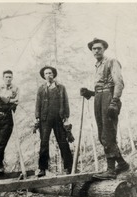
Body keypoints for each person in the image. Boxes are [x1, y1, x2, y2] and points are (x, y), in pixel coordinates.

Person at [80, 38, 129, 180]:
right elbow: (101, 88)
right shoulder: (97, 65)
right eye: (93, 49)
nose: (96, 51)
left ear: (104, 49)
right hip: (99, 99)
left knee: (108, 134)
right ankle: (122, 164)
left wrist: (114, 101)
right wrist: (90, 93)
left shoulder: (111, 62)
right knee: (102, 134)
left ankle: (111, 170)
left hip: (109, 99)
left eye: (99, 48)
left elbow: (118, 83)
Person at [35, 66, 73, 177]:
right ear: (44, 76)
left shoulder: (61, 88)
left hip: (59, 119)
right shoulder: (41, 89)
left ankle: (69, 167)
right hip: (45, 119)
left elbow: (66, 102)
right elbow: (38, 104)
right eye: (46, 73)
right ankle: (42, 168)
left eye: (50, 73)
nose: (48, 75)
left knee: (63, 142)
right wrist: (37, 117)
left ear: (54, 75)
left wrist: (66, 117)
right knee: (44, 143)